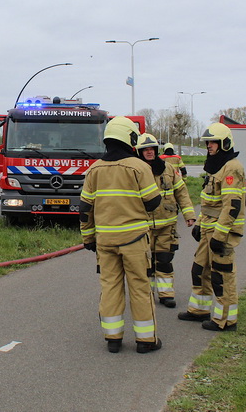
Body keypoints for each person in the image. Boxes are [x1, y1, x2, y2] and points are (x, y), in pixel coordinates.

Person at [80, 116, 163, 354]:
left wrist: (88, 238)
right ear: (130, 138)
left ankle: (113, 338)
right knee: (139, 287)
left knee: (110, 288)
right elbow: (153, 202)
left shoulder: (93, 169)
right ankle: (146, 341)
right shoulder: (139, 167)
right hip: (135, 240)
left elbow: (85, 210)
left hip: (104, 242)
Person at [178, 123, 245, 331]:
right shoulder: (216, 165)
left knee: (221, 275)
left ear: (224, 144)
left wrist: (220, 234)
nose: (209, 146)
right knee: (200, 269)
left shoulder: (232, 167)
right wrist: (199, 222)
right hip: (208, 227)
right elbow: (209, 200)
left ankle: (226, 320)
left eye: (213, 142)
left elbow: (231, 205)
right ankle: (199, 310)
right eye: (208, 142)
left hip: (220, 232)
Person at [135, 134, 196, 308]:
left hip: (166, 224)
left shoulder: (168, 169)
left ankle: (166, 294)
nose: (149, 152)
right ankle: (146, 295)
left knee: (164, 259)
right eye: (145, 150)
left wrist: (189, 214)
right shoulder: (135, 171)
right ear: (139, 152)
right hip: (142, 226)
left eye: (151, 149)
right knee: (144, 262)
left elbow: (181, 192)